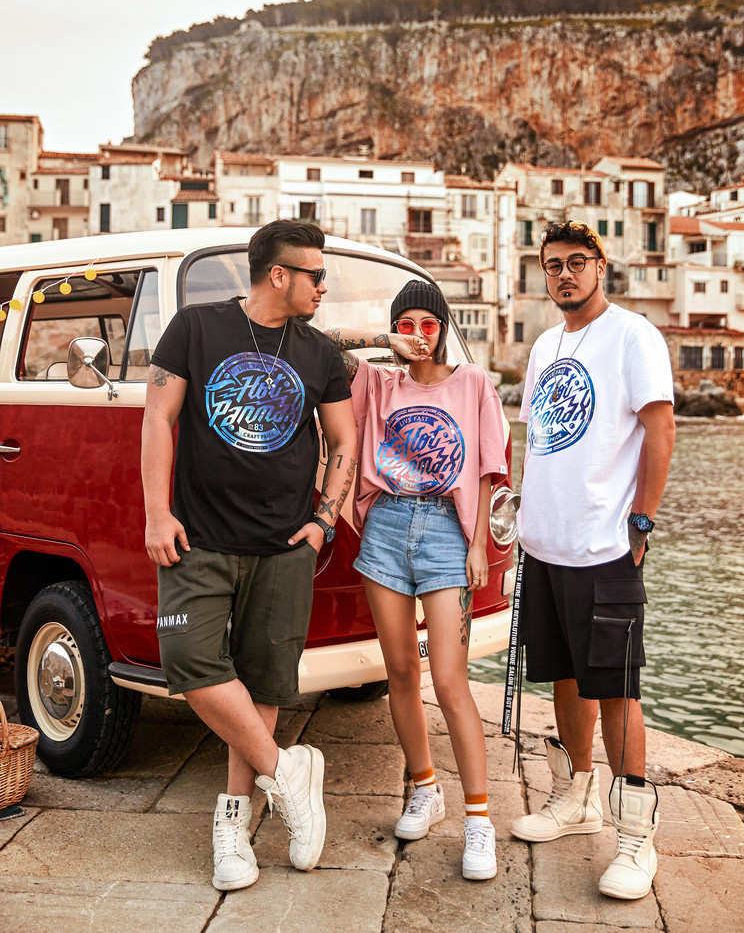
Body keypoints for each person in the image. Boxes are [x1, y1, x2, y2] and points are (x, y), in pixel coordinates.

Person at [141, 220, 357, 892]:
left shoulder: (320, 351)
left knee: (263, 683)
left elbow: (343, 440)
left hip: (285, 544)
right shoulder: (195, 328)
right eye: (316, 275)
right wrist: (156, 511)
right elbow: (157, 418)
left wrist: (324, 519)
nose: (324, 286)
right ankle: (289, 774)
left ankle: (234, 825)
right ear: (279, 275)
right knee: (186, 659)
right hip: (199, 538)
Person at [507, 220, 675, 901]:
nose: (565, 274)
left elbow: (660, 428)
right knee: (565, 676)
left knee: (616, 688)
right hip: (545, 546)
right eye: (553, 265)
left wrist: (642, 521)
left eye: (578, 262)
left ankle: (637, 837)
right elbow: (541, 442)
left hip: (605, 546)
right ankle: (577, 798)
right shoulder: (546, 345)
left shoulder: (633, 335)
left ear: (601, 266)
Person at [326, 278, 508, 882]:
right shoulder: (378, 383)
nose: (419, 334)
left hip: (447, 534)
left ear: (445, 327)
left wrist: (478, 545)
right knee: (400, 671)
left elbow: (488, 469)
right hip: (385, 527)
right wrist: (386, 343)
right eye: (406, 324)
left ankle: (478, 819)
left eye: (428, 323)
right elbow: (320, 342)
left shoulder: (473, 383)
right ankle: (425, 789)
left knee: (451, 681)